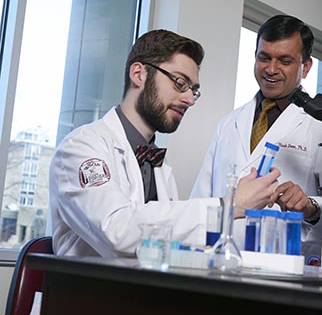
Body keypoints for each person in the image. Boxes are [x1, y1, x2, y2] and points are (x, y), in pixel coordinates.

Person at [49, 29, 280, 257]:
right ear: (139, 74)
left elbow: (167, 240)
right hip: (86, 293)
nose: (190, 99)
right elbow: (117, 231)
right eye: (180, 83)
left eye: (194, 90)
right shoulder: (81, 147)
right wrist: (228, 205)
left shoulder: (159, 164)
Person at [191, 15, 322, 261]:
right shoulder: (228, 123)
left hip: (282, 266)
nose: (271, 69)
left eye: (284, 61)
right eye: (264, 57)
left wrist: (311, 206)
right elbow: (201, 200)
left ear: (306, 67)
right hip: (219, 263)